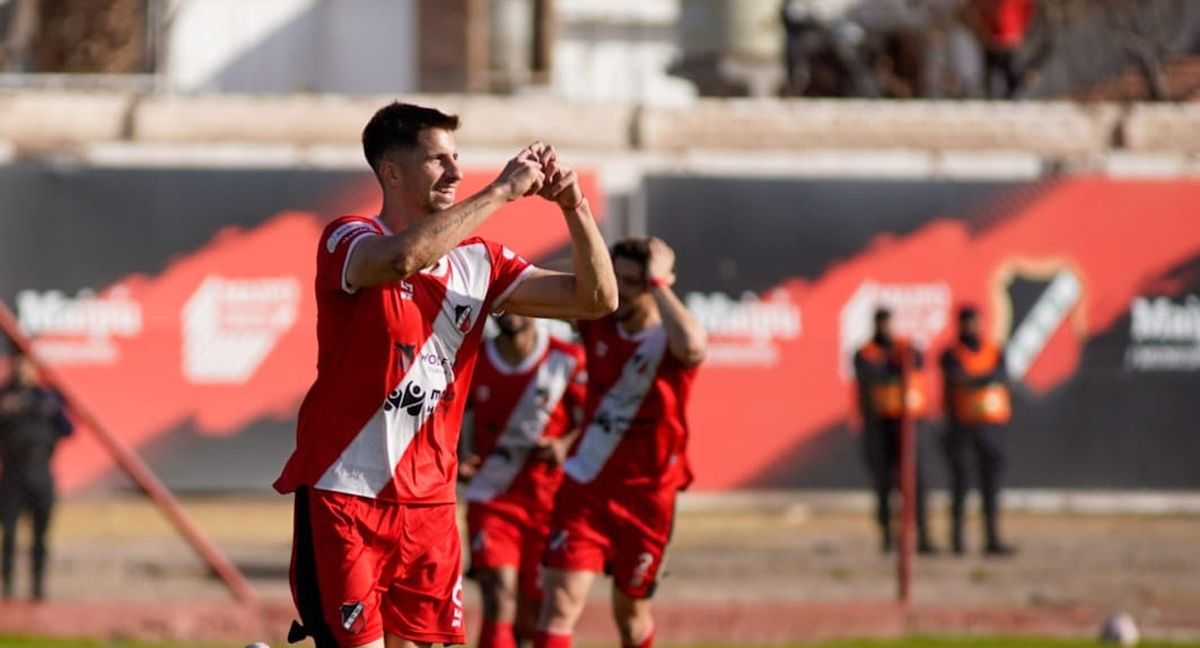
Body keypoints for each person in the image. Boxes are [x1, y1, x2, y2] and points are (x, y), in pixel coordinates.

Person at [272, 102, 617, 648]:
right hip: (346, 495)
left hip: (431, 507)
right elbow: (402, 260)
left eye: (457, 157)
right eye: (438, 160)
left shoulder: (482, 263)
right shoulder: (349, 239)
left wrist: (574, 207)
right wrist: (501, 192)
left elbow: (596, 300)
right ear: (391, 172)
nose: (456, 172)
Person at [536, 237, 707, 648]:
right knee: (559, 602)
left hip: (649, 497)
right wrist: (594, 260)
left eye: (633, 282)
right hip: (586, 486)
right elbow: (558, 279)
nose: (622, 291)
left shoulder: (669, 337)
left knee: (630, 615)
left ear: (654, 284)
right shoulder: (597, 319)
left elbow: (694, 346)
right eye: (617, 279)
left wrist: (659, 282)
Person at [459, 313, 587, 648]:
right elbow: (450, 415)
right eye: (505, 304)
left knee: (535, 614)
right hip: (492, 498)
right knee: (498, 594)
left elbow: (594, 422)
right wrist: (458, 457)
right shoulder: (472, 359)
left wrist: (564, 445)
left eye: (521, 304)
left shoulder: (566, 359)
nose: (512, 312)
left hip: (549, 503)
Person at [853, 307, 936, 555]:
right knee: (883, 483)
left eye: (888, 323)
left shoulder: (904, 347)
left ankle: (922, 536)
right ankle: (887, 536)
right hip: (879, 425)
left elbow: (918, 361)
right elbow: (871, 373)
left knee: (915, 480)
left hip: (906, 424)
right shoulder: (865, 353)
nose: (885, 328)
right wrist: (892, 365)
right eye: (881, 324)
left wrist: (900, 358)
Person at [939, 305, 1015, 556]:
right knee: (961, 484)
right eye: (966, 322)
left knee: (991, 486)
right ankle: (957, 541)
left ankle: (992, 539)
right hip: (961, 428)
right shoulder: (951, 354)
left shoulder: (994, 351)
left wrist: (975, 379)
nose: (971, 327)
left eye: (974, 322)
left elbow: (1001, 375)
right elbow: (957, 377)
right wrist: (983, 378)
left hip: (992, 428)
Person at [0, 350, 73, 602]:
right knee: (9, 532)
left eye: (28, 366)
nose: (24, 370)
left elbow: (69, 429)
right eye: (20, 365)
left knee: (40, 535)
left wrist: (53, 408)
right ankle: (8, 587)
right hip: (12, 476)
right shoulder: (5, 396)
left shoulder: (47, 397)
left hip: (41, 474)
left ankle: (38, 588)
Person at [966, 0, 1034, 98]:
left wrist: (1023, 34)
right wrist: (980, 32)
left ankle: (1013, 99)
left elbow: (1028, 10)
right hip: (991, 42)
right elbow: (972, 11)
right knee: (990, 79)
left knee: (1013, 79)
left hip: (1011, 43)